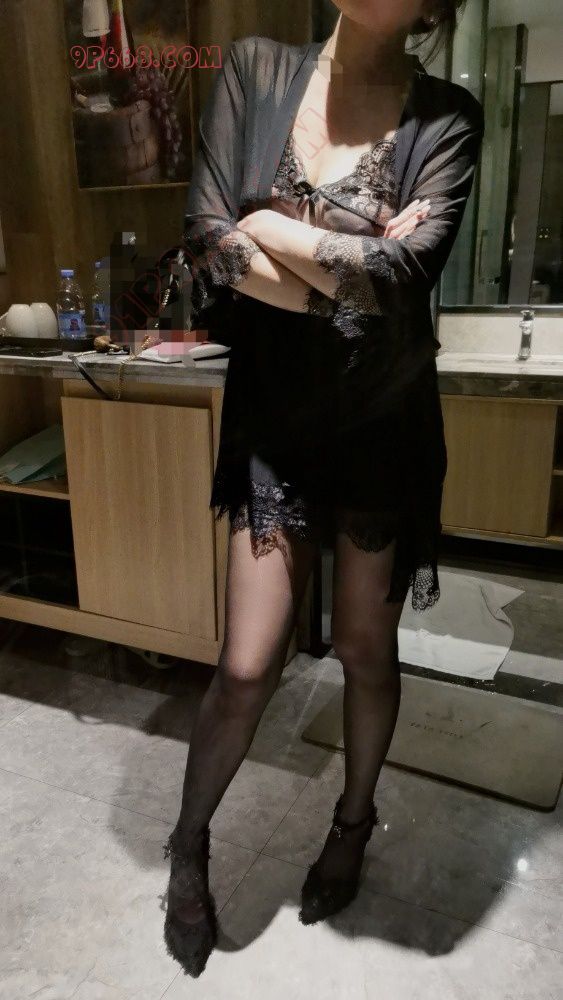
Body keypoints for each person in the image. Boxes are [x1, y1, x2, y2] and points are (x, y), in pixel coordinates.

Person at [162, 0, 484, 977]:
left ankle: (350, 825)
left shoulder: (447, 116)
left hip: (382, 425)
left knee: (362, 648)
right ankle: (188, 844)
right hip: (275, 422)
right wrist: (336, 277)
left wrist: (266, 223)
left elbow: (405, 273)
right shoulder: (257, 70)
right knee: (246, 665)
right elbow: (205, 239)